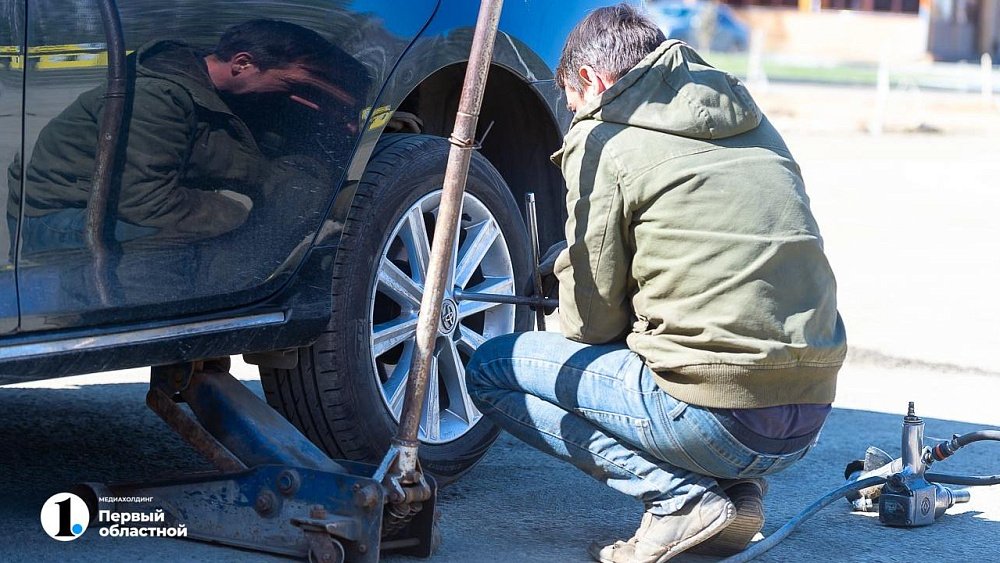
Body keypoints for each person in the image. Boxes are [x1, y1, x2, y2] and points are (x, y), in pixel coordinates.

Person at [465, 5, 846, 563]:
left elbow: (590, 324)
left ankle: (679, 500)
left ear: (592, 81)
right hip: (808, 414)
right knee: (674, 337)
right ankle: (734, 503)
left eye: (571, 101)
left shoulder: (605, 139)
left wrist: (570, 273)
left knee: (491, 369)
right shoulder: (750, 118)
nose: (574, 116)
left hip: (714, 417)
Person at [7, 19, 362, 254]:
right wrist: (240, 210)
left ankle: (200, 364)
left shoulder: (218, 94)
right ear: (242, 64)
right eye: (291, 85)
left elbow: (249, 166)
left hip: (106, 210)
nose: (296, 96)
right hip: (60, 222)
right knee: (236, 241)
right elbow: (145, 204)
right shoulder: (160, 97)